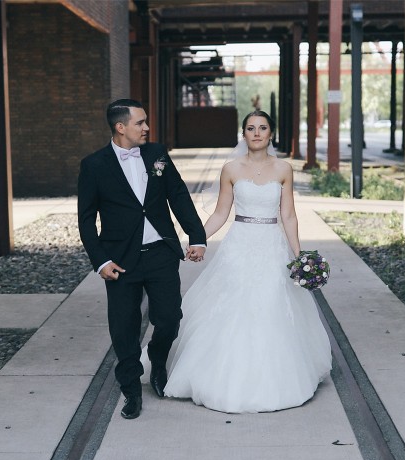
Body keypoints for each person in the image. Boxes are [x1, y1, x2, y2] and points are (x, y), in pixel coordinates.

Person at [163, 111, 332, 413]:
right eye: (251, 128)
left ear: (270, 134)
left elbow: (288, 215)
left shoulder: (283, 169)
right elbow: (220, 213)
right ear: (243, 134)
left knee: (270, 304)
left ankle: (275, 379)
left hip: (271, 245)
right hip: (239, 244)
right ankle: (221, 377)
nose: (256, 133)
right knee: (233, 303)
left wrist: (299, 256)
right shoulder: (230, 169)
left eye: (262, 128)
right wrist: (198, 240)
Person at [77, 99, 207, 420]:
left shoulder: (156, 154)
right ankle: (131, 389)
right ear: (120, 127)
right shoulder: (94, 165)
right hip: (120, 260)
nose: (147, 128)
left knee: (170, 318)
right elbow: (86, 220)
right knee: (124, 328)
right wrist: (101, 261)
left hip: (161, 253)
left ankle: (158, 362)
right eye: (140, 123)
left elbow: (178, 195)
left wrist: (197, 236)